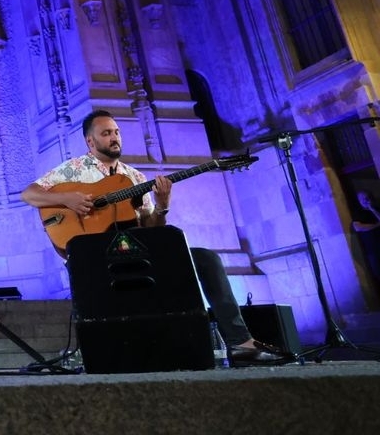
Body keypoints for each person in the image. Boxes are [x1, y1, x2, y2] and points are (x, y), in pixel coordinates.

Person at [20, 110, 287, 365]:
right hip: (95, 255)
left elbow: (153, 229)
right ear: (90, 141)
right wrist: (66, 198)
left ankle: (241, 344)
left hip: (134, 251)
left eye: (117, 132)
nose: (115, 138)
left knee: (205, 258)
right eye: (106, 133)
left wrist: (162, 205)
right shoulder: (74, 169)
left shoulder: (134, 177)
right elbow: (29, 194)